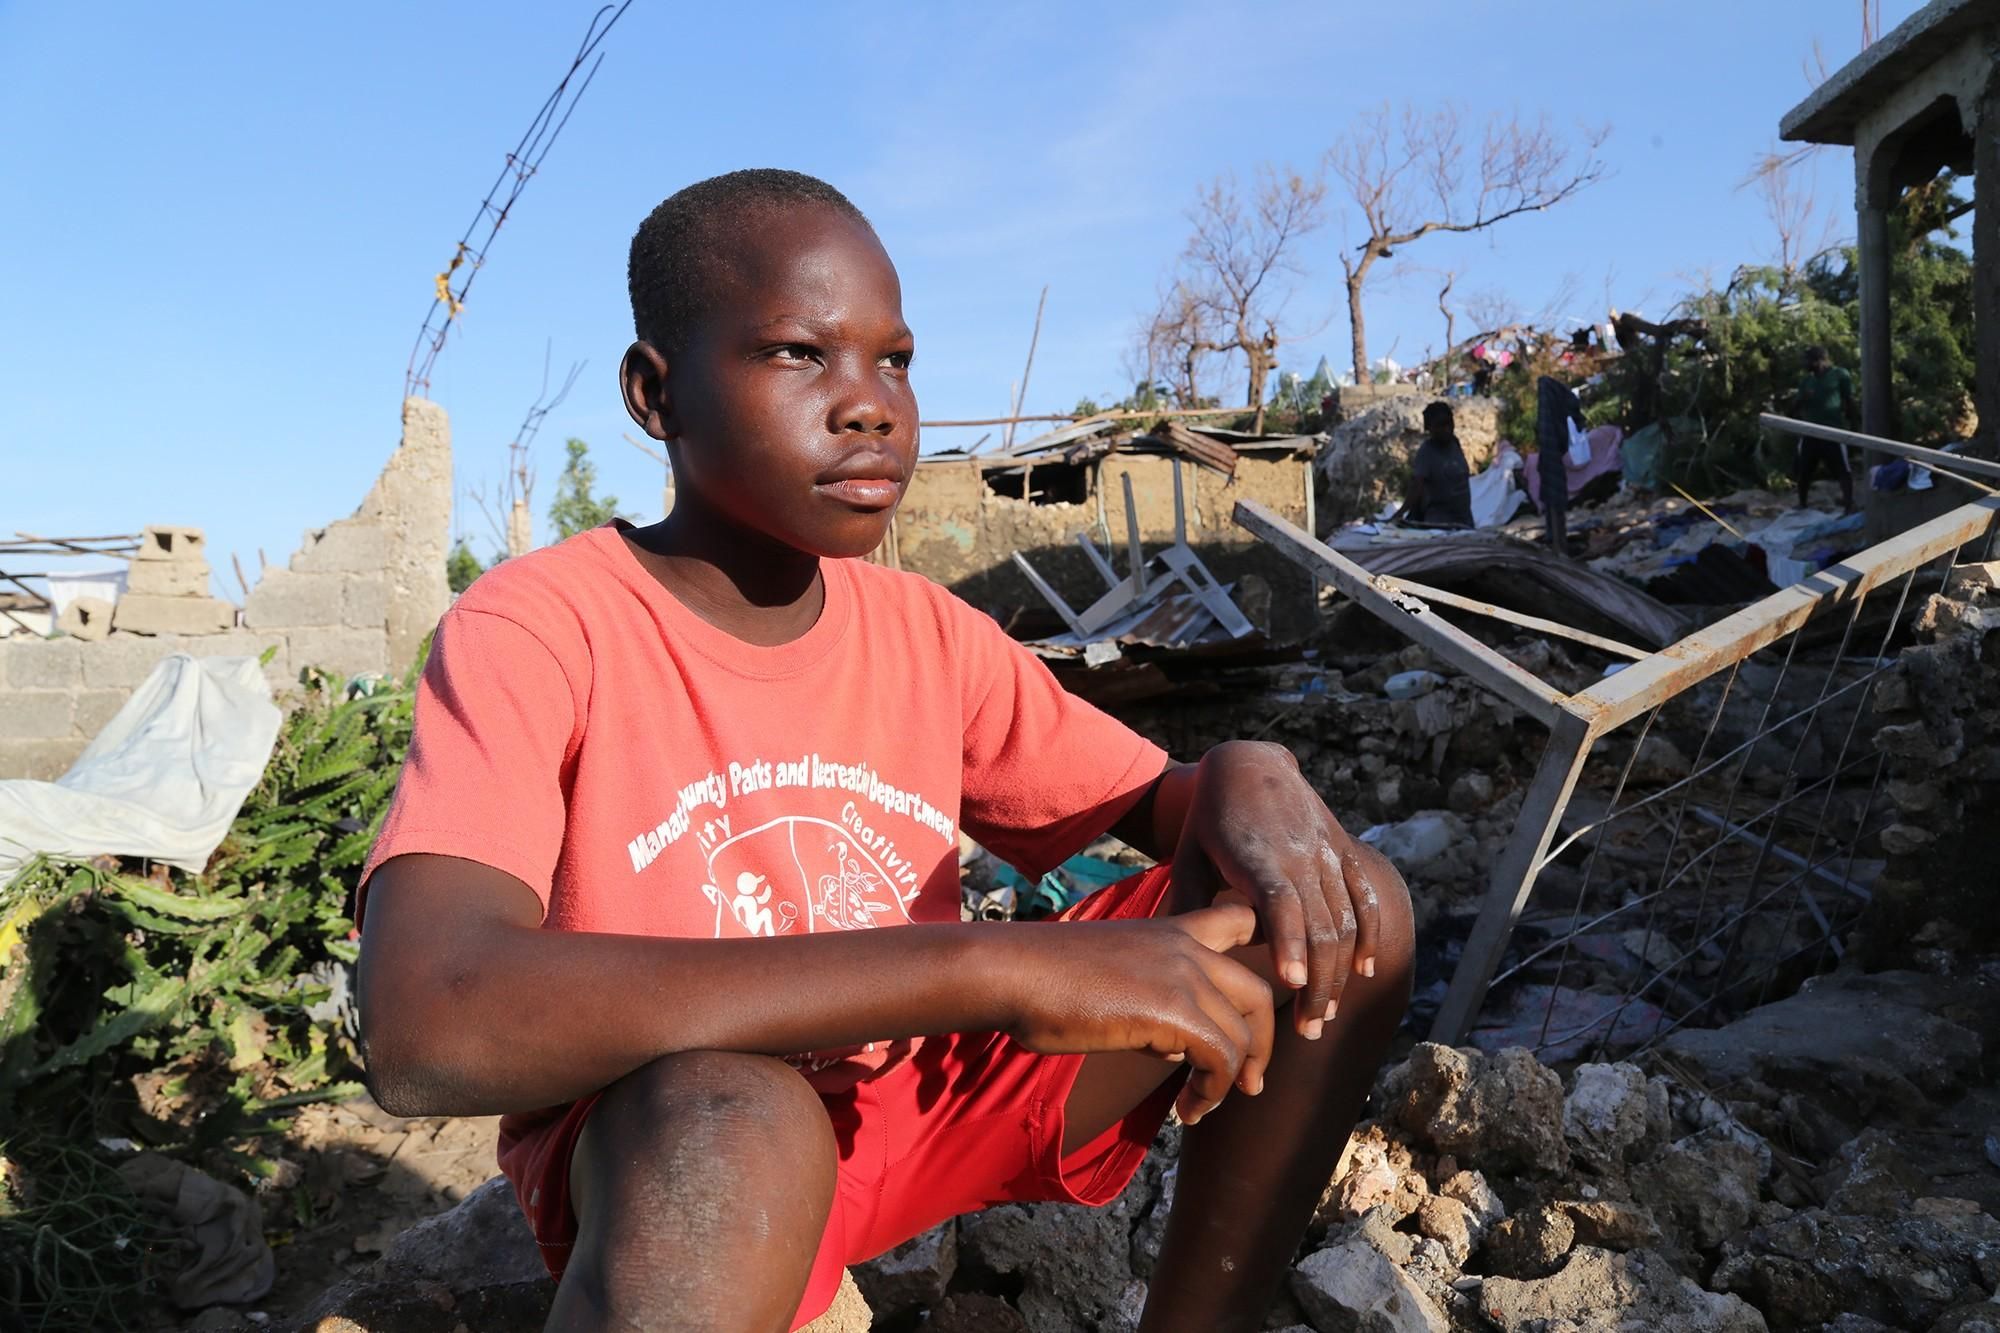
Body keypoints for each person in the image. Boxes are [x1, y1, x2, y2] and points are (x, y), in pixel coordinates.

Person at [355, 169, 1414, 1333]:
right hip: (684, 1151)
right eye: (799, 354)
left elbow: (1169, 808)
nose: (868, 405)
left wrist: (1245, 766)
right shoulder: (542, 627)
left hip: (915, 1104)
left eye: (893, 361)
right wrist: (996, 967)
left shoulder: (924, 635)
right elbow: (427, 1022)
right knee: (732, 1116)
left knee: (1338, 908)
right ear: (655, 394)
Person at [1792, 345, 1857, 511]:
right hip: (1810, 432)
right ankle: (1802, 503)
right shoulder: (1807, 381)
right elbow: (1794, 407)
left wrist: (1853, 424)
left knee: (1842, 469)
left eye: (1807, 360)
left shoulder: (1839, 375)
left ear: (1818, 360)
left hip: (1833, 430)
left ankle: (1849, 503)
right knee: (1804, 469)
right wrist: (1802, 401)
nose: (1804, 364)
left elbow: (1849, 400)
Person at [1399, 400, 1474, 528]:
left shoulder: (1454, 443)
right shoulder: (1427, 452)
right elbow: (1417, 487)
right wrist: (1399, 515)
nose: (1447, 429)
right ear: (1429, 428)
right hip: (1439, 524)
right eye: (1440, 425)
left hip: (1464, 520)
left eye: (1449, 423)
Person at [1535, 374, 1585, 557]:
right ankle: (1557, 542)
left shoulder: (1549, 414)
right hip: (1552, 460)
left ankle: (1558, 544)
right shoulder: (1553, 412)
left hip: (1552, 460)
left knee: (1555, 503)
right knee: (1554, 503)